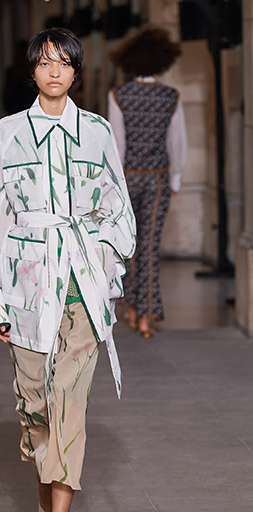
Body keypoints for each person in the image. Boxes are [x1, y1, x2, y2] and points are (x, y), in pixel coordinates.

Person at [0, 28, 136, 512]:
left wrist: (105, 263)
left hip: (81, 287)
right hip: (24, 289)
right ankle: (49, 498)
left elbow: (118, 207)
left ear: (76, 71)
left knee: (70, 403)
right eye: (44, 62)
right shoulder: (7, 134)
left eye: (63, 62)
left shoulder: (98, 131)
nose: (54, 71)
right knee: (36, 408)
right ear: (32, 71)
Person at [108, 27, 187, 337]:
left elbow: (117, 144)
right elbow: (178, 141)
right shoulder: (170, 96)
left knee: (127, 244)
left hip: (127, 177)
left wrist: (114, 184)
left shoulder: (119, 95)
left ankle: (131, 305)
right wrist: (176, 178)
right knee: (150, 247)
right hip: (158, 178)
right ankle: (146, 315)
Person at [2, 40, 38, 114]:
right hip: (30, 110)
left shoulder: (12, 72)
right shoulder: (32, 72)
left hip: (16, 112)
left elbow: (7, 98)